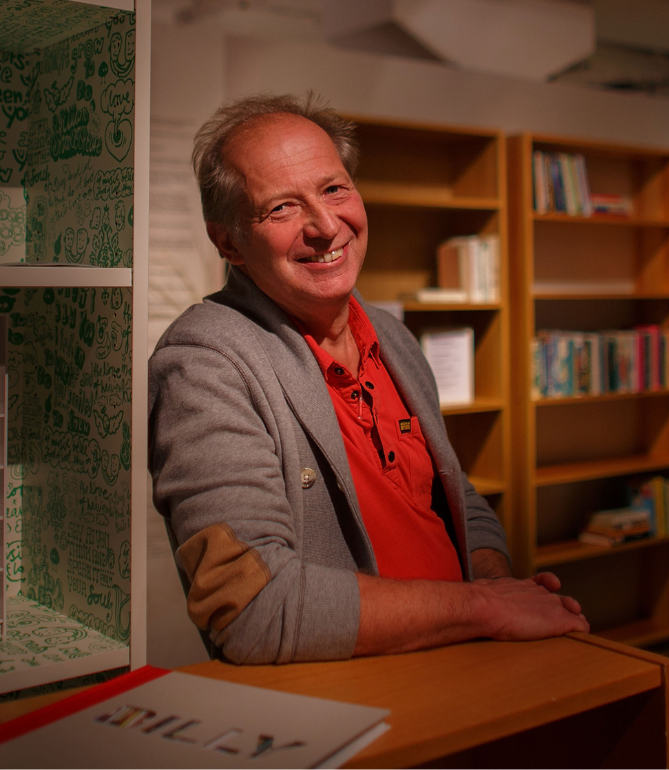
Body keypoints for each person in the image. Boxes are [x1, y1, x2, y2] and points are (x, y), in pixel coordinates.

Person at [148, 94, 589, 665]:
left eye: (334, 189)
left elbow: (455, 497)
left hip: (464, 661)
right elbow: (254, 610)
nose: (327, 226)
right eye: (281, 208)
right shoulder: (204, 360)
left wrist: (502, 590)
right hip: (356, 698)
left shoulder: (391, 336)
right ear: (228, 241)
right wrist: (485, 608)